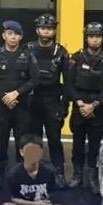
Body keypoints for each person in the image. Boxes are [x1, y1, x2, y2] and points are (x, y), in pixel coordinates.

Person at [64, 22, 103, 193]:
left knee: (94, 145)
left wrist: (93, 105)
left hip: (98, 108)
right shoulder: (76, 58)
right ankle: (77, 174)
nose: (94, 40)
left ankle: (93, 176)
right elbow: (69, 83)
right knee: (77, 143)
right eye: (91, 36)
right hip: (79, 106)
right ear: (86, 38)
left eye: (98, 37)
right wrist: (79, 103)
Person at [0, 20, 40, 187]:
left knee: (22, 143)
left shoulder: (28, 55)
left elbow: (35, 79)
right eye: (9, 34)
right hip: (2, 106)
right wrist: (4, 97)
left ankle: (20, 175)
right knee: (0, 143)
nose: (13, 37)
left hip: (21, 106)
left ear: (21, 37)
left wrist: (16, 93)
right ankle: (0, 176)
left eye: (16, 34)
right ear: (4, 35)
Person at [25, 13, 70, 188]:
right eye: (43, 28)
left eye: (49, 28)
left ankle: (59, 173)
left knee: (54, 140)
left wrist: (64, 107)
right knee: (33, 140)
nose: (46, 31)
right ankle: (33, 171)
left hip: (52, 101)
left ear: (54, 31)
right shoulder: (28, 49)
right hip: (32, 101)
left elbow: (68, 82)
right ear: (37, 30)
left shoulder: (61, 52)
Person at [0, 134, 73, 205]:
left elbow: (52, 195)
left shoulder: (49, 171)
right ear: (21, 152)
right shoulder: (13, 173)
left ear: (41, 152)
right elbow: (12, 198)